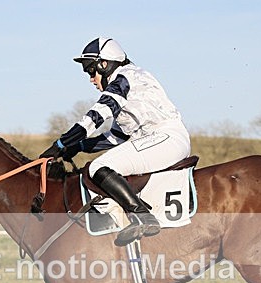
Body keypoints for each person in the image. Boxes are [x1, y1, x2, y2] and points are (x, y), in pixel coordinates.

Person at [40, 37, 191, 246]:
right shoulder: (130, 80)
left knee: (99, 166)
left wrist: (61, 144)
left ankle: (142, 216)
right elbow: (114, 138)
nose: (91, 79)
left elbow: (98, 114)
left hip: (165, 138)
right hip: (160, 139)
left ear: (104, 64)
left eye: (91, 71)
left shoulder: (124, 77)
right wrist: (77, 147)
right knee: (101, 165)